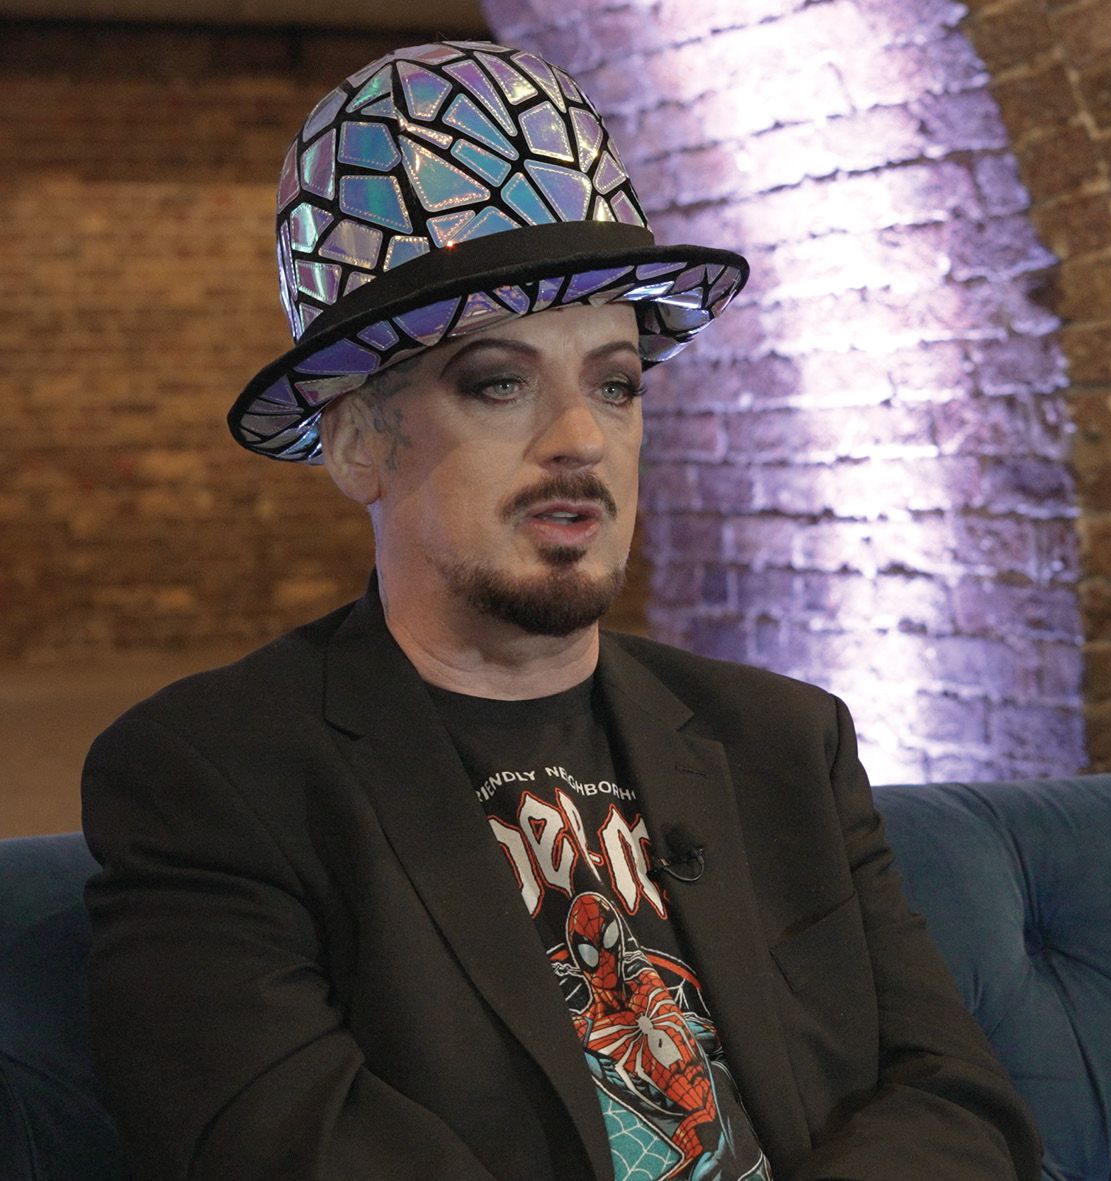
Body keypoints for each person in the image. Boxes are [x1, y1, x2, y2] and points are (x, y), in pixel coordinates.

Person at [82, 39, 1042, 1180]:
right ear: (355, 442)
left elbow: (956, 1098)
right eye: (498, 382)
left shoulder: (784, 740)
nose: (580, 438)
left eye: (614, 383)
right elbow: (292, 1146)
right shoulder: (214, 779)